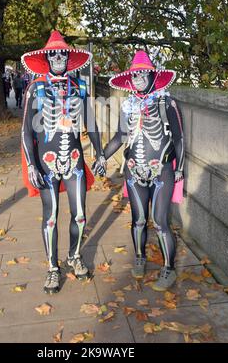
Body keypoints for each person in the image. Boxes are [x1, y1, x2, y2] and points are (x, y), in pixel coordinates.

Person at [21, 30, 106, 294]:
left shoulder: (79, 87)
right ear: (47, 58)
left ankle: (74, 256)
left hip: (74, 161)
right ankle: (52, 268)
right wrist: (31, 164)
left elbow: (91, 123)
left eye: (63, 53)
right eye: (53, 53)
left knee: (80, 215)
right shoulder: (35, 88)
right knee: (50, 217)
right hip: (46, 163)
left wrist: (100, 152)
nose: (58, 56)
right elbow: (25, 130)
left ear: (69, 58)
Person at [104, 50, 185, 291]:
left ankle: (168, 269)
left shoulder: (167, 102)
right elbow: (120, 136)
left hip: (161, 171)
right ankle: (140, 257)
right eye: (135, 75)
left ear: (151, 75)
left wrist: (179, 168)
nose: (138, 79)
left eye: (142, 74)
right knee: (138, 220)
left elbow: (179, 138)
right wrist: (102, 156)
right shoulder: (128, 105)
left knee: (160, 222)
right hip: (133, 171)